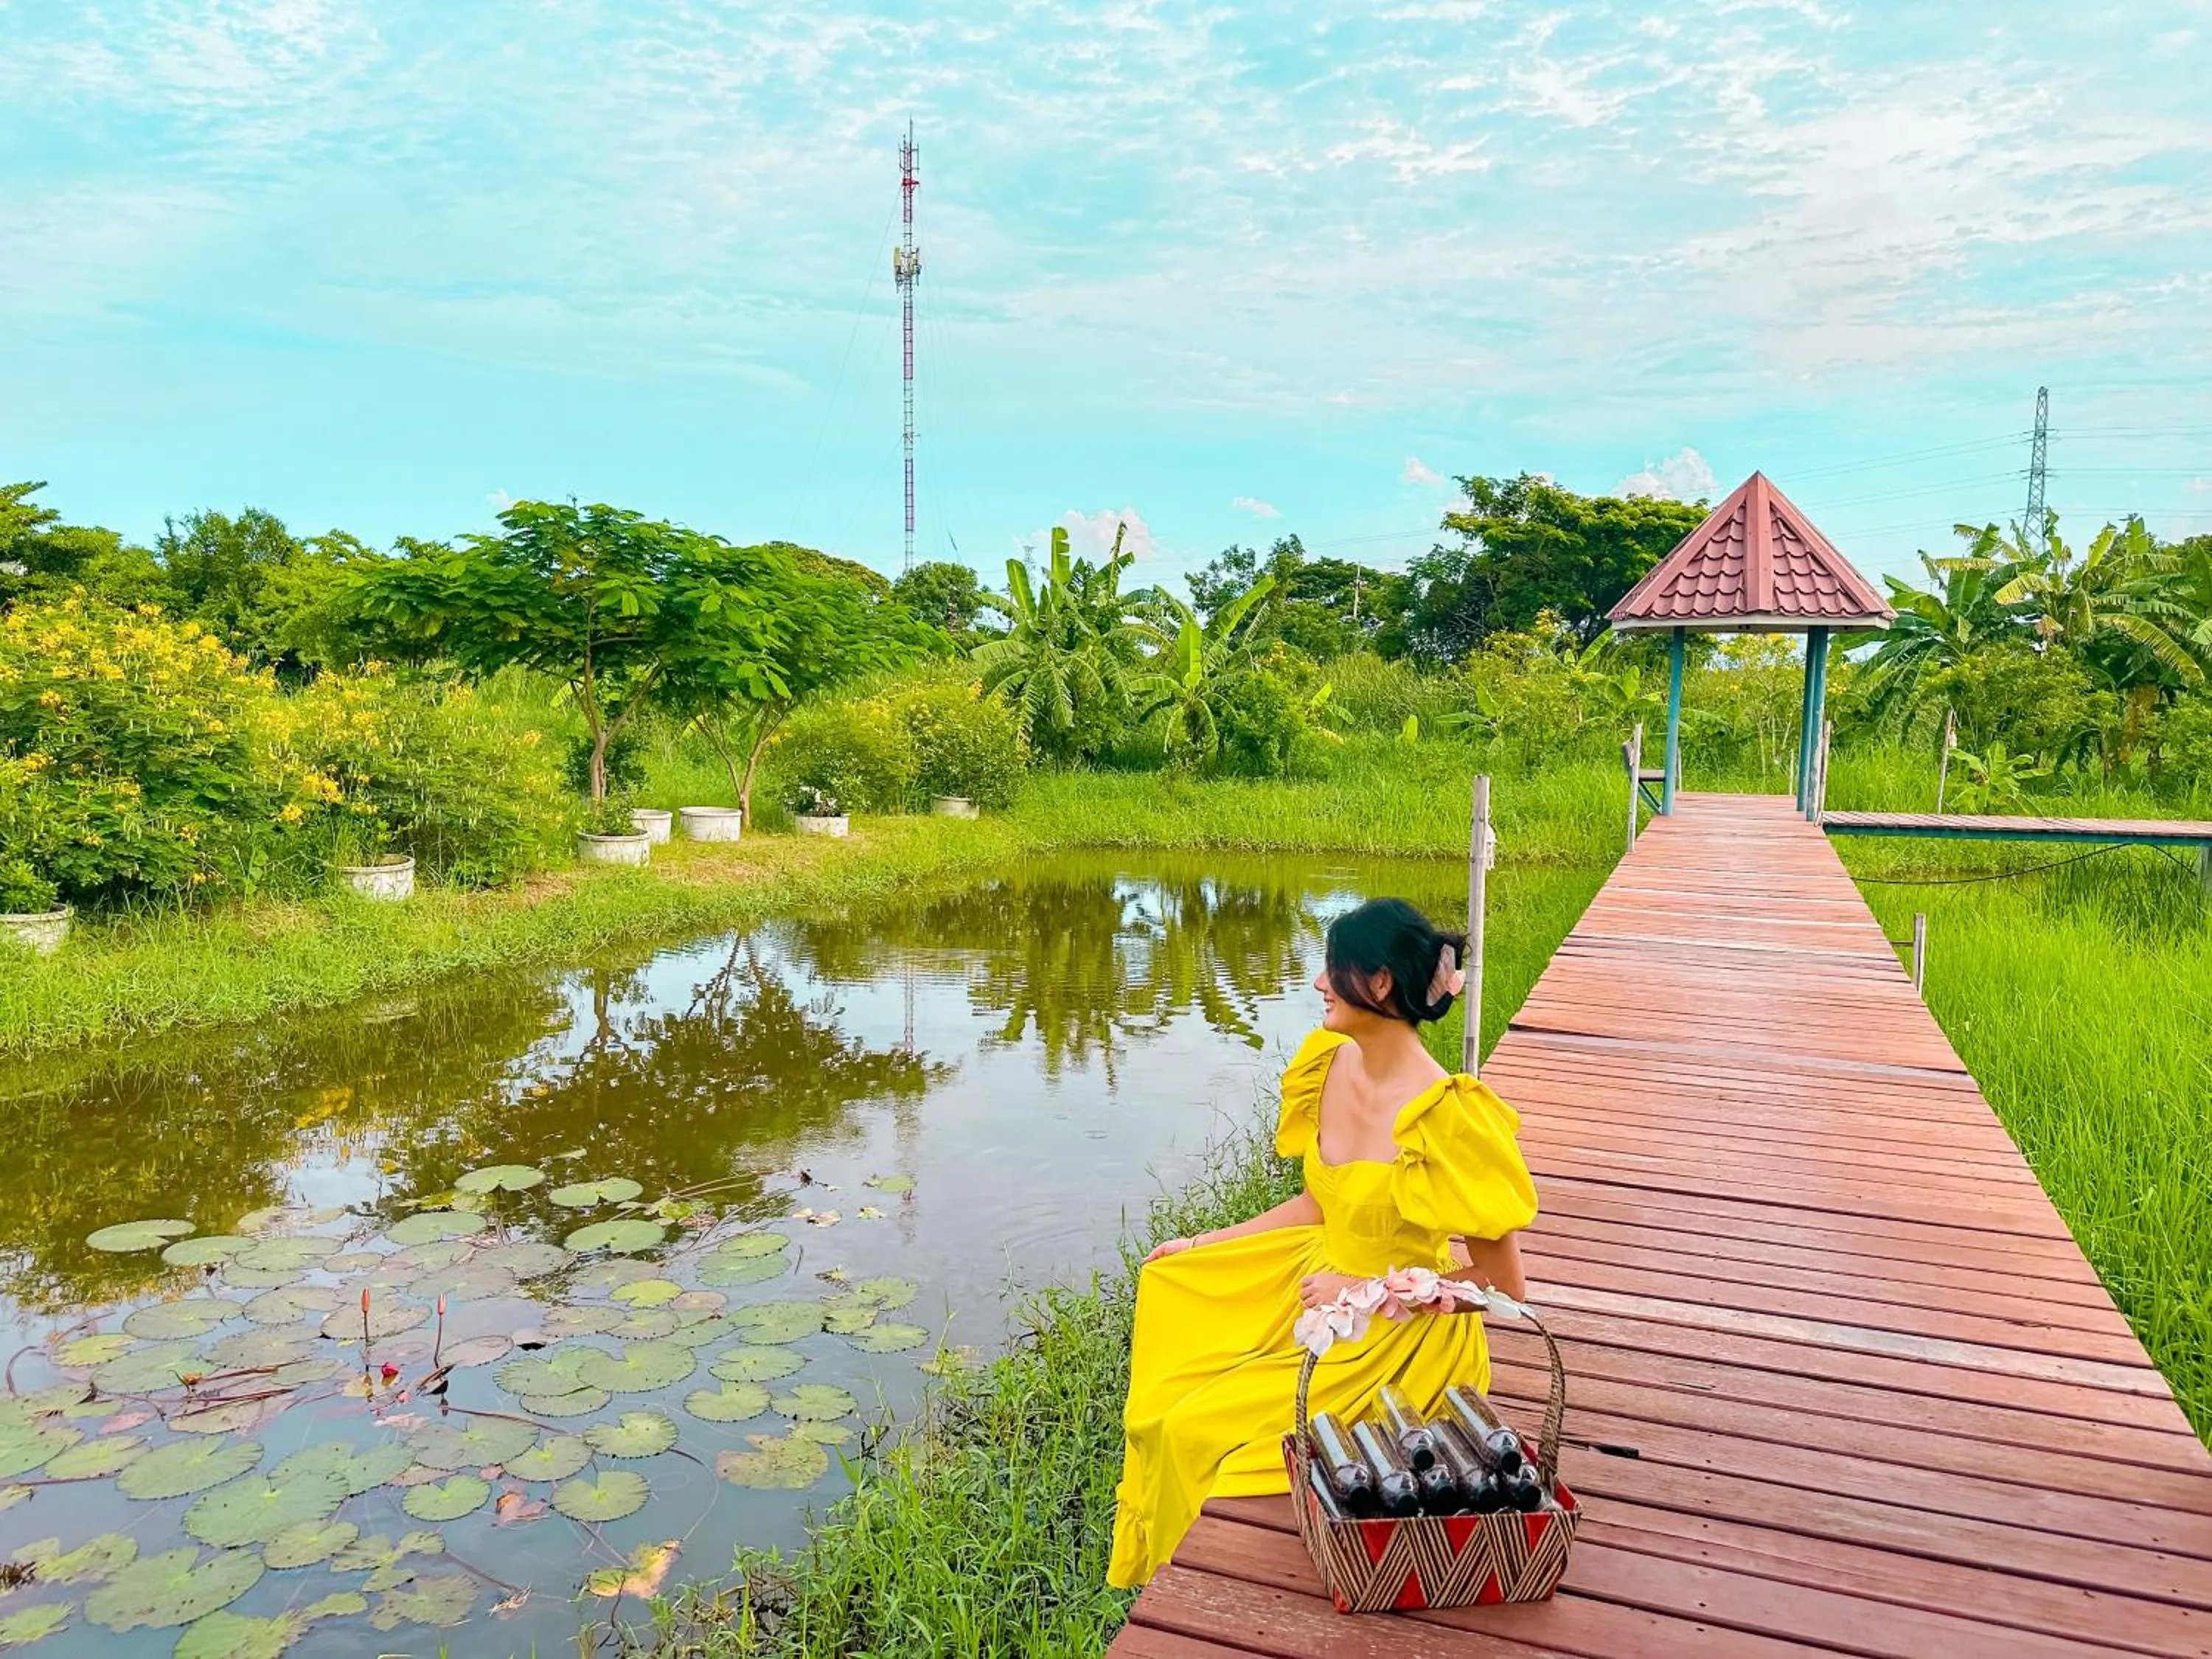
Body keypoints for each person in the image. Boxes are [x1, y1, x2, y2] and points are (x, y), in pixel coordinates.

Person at [1106, 897, 1538, 1588]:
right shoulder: (1330, 1062)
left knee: (1199, 1432)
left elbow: (1505, 1290)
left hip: (1398, 1343)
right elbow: (1319, 1202)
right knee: (1171, 1398)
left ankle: (1198, 1581)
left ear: (1379, 984)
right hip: (1314, 1297)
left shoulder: (1448, 1116)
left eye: (1331, 970)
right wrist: (1204, 1241)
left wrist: (1365, 1292)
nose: (1318, 985)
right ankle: (1165, 1568)